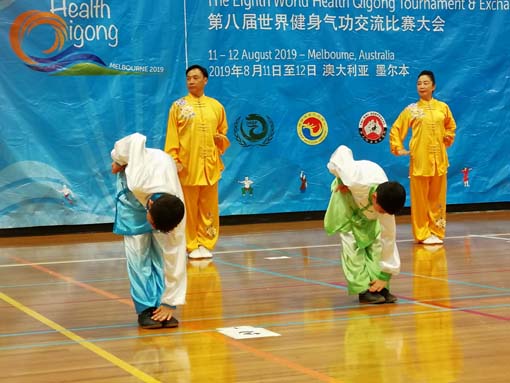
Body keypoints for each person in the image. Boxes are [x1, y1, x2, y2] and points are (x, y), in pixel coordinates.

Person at [111, 133, 187, 329]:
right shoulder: (137, 179)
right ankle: (145, 308)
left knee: (161, 255)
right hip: (131, 197)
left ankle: (160, 308)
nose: (154, 228)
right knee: (139, 254)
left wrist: (171, 302)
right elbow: (136, 139)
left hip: (158, 189)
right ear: (150, 205)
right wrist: (118, 159)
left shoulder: (177, 211)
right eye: (153, 224)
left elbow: (176, 257)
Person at [324, 145, 406, 304]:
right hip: (347, 201)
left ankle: (379, 286)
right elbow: (342, 151)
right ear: (375, 197)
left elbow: (389, 237)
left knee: (376, 245)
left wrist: (386, 274)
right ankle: (362, 289)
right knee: (352, 246)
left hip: (367, 210)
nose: (383, 215)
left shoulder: (386, 203)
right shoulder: (354, 178)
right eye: (381, 211)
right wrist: (341, 178)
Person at [165, 64, 230, 259]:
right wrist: (174, 159)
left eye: (195, 77)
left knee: (209, 207)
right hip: (187, 166)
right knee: (189, 208)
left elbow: (223, 134)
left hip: (210, 165)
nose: (191, 81)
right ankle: (191, 245)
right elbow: (172, 136)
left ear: (205, 80)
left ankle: (206, 243)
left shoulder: (216, 106)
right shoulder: (178, 107)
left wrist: (221, 140)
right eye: (188, 78)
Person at [389, 70, 456, 245]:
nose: (421, 86)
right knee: (420, 199)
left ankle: (436, 231)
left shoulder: (443, 107)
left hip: (439, 160)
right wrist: (399, 148)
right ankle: (422, 233)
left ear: (433, 86)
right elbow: (396, 128)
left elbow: (451, 126)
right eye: (419, 83)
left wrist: (446, 138)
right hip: (420, 160)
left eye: (425, 83)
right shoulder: (411, 110)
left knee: (437, 198)